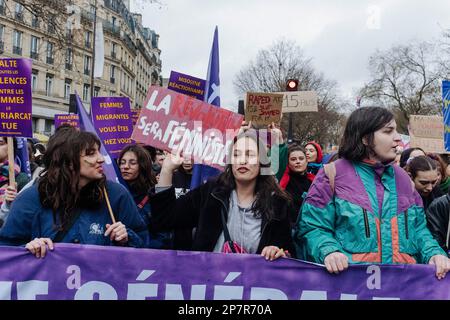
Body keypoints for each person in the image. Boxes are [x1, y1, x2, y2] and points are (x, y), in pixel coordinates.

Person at [297, 107, 450, 279]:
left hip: (400, 288)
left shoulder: (404, 179)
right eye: (388, 131)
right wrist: (328, 250)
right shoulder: (331, 175)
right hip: (350, 287)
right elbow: (312, 227)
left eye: (396, 131)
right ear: (365, 139)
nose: (398, 138)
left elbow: (420, 231)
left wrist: (434, 253)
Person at [0, 127, 149, 257]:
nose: (101, 159)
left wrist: (126, 238)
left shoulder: (116, 195)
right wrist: (28, 249)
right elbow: (6, 251)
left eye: (99, 151)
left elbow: (145, 246)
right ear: (69, 161)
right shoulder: (31, 198)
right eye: (91, 153)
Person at [149, 130, 294, 260]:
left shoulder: (278, 203)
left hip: (254, 286)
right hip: (209, 283)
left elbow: (288, 252)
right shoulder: (211, 192)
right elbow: (165, 219)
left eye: (249, 155)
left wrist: (279, 252)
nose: (242, 160)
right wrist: (167, 170)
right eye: (236, 154)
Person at [118, 144, 172, 249]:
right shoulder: (114, 193)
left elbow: (163, 238)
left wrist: (141, 248)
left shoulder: (154, 196)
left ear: (143, 166)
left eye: (132, 163)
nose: (125, 167)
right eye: (122, 162)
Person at [279, 144, 311, 227]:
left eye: (301, 158)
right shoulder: (283, 180)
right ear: (288, 162)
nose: (298, 161)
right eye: (293, 159)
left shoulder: (314, 181)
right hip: (288, 228)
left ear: (306, 161)